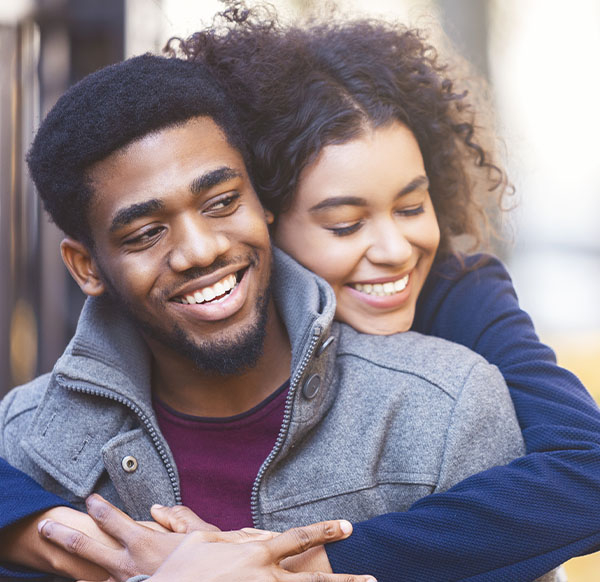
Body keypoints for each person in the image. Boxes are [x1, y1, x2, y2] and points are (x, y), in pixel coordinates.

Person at [0, 51, 527, 582]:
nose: (201, 250)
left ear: (264, 202)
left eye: (223, 201)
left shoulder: (445, 408)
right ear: (86, 266)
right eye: (146, 233)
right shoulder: (27, 440)